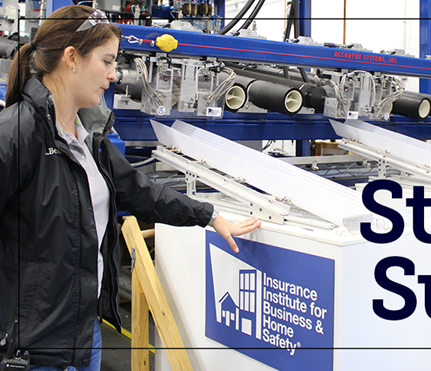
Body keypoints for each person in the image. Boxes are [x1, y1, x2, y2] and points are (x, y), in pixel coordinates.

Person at [0, 5, 261, 370]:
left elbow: (140, 191)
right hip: (32, 350)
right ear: (71, 58)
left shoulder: (87, 136)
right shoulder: (16, 134)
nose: (112, 75)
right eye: (106, 61)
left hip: (83, 333)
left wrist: (211, 215)